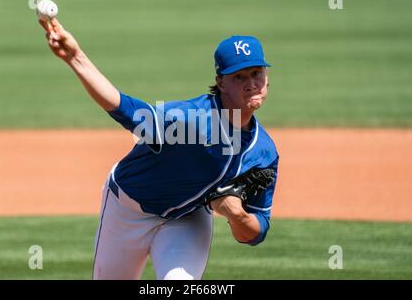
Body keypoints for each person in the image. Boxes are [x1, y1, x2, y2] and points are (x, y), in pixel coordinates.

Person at [39, 18, 279, 280]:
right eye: (239, 76)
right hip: (127, 210)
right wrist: (76, 58)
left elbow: (256, 232)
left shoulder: (263, 152)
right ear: (221, 83)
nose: (251, 83)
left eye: (257, 73)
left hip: (186, 219)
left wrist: (237, 215)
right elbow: (126, 109)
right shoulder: (190, 120)